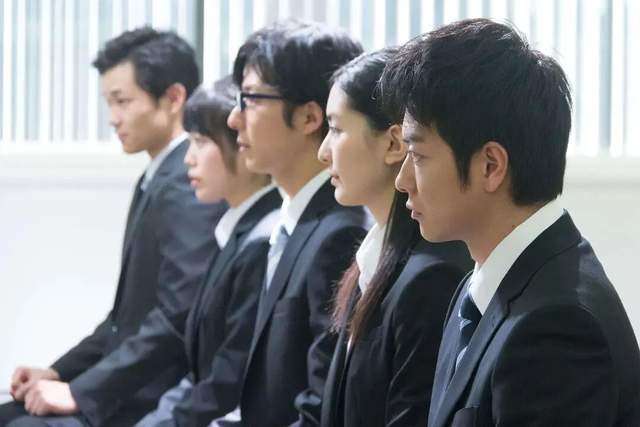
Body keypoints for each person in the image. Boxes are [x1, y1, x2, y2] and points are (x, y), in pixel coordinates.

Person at [380, 18, 640, 427]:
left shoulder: (556, 328)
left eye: (418, 155)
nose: (402, 180)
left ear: (490, 165)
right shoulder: (482, 283)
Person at [1, 27, 224, 427]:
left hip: (147, 401)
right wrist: (58, 373)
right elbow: (123, 321)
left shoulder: (187, 185)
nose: (112, 118)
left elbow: (176, 319)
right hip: (118, 390)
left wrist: (80, 392)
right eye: (109, 103)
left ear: (174, 98)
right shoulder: (157, 179)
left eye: (122, 101)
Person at [221, 20, 368, 426]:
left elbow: (320, 407)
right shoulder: (294, 220)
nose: (234, 119)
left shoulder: (339, 234)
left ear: (309, 117)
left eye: (250, 99)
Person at [317, 48, 472, 427]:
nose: (323, 152)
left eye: (336, 129)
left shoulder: (429, 276)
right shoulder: (374, 258)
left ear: (393, 144)